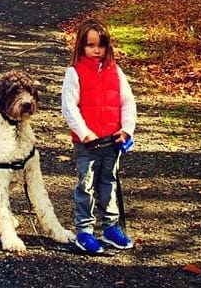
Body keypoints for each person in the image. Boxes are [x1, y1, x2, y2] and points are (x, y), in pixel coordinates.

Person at [61, 17, 137, 255]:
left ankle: (111, 227)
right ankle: (84, 230)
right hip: (88, 145)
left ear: (107, 46)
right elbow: (69, 107)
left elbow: (128, 102)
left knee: (109, 182)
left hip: (112, 142)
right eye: (90, 45)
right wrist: (84, 133)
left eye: (100, 45)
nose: (96, 50)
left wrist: (126, 129)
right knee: (86, 185)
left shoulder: (116, 72)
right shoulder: (75, 73)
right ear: (81, 46)